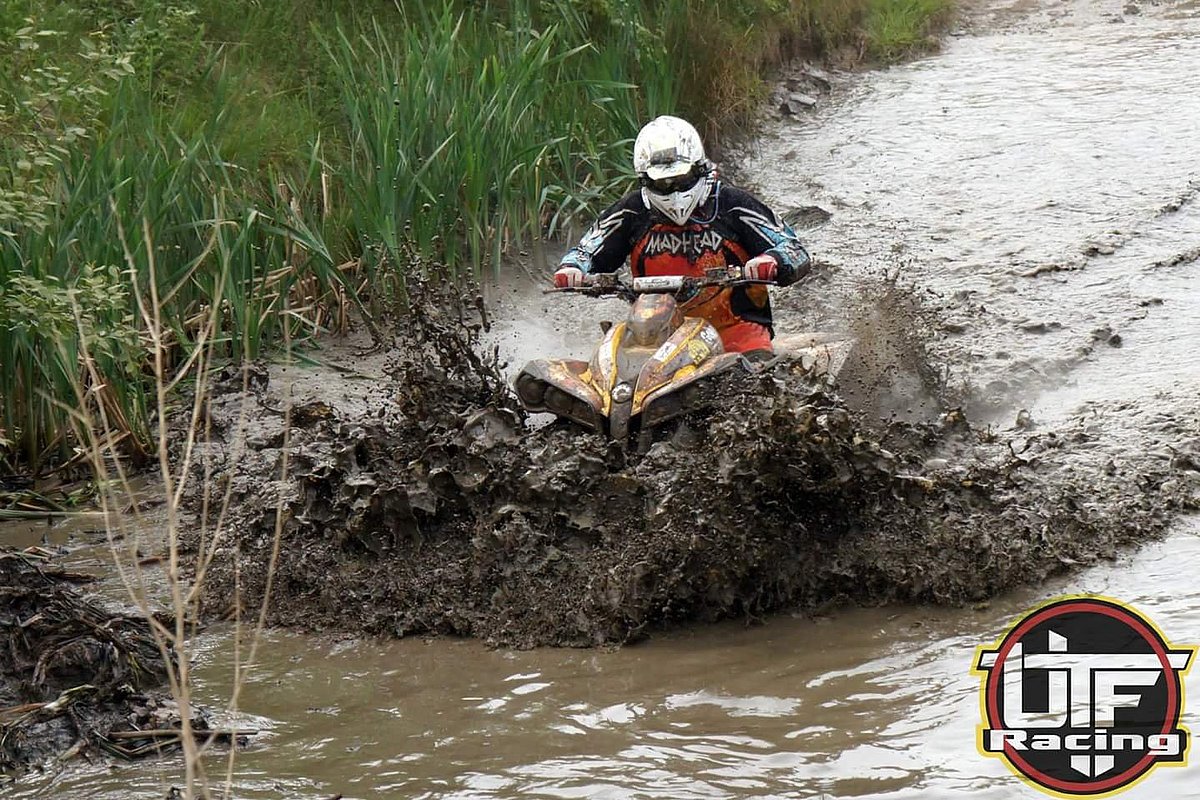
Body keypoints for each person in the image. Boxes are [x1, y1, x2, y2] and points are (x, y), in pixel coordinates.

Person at [553, 115, 811, 358]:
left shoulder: (732, 205)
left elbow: (793, 249)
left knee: (757, 379)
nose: (675, 192)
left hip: (735, 332)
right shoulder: (632, 212)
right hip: (655, 335)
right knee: (615, 374)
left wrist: (772, 260)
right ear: (645, 180)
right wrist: (573, 268)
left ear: (699, 169)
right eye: (663, 184)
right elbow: (588, 249)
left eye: (682, 179)